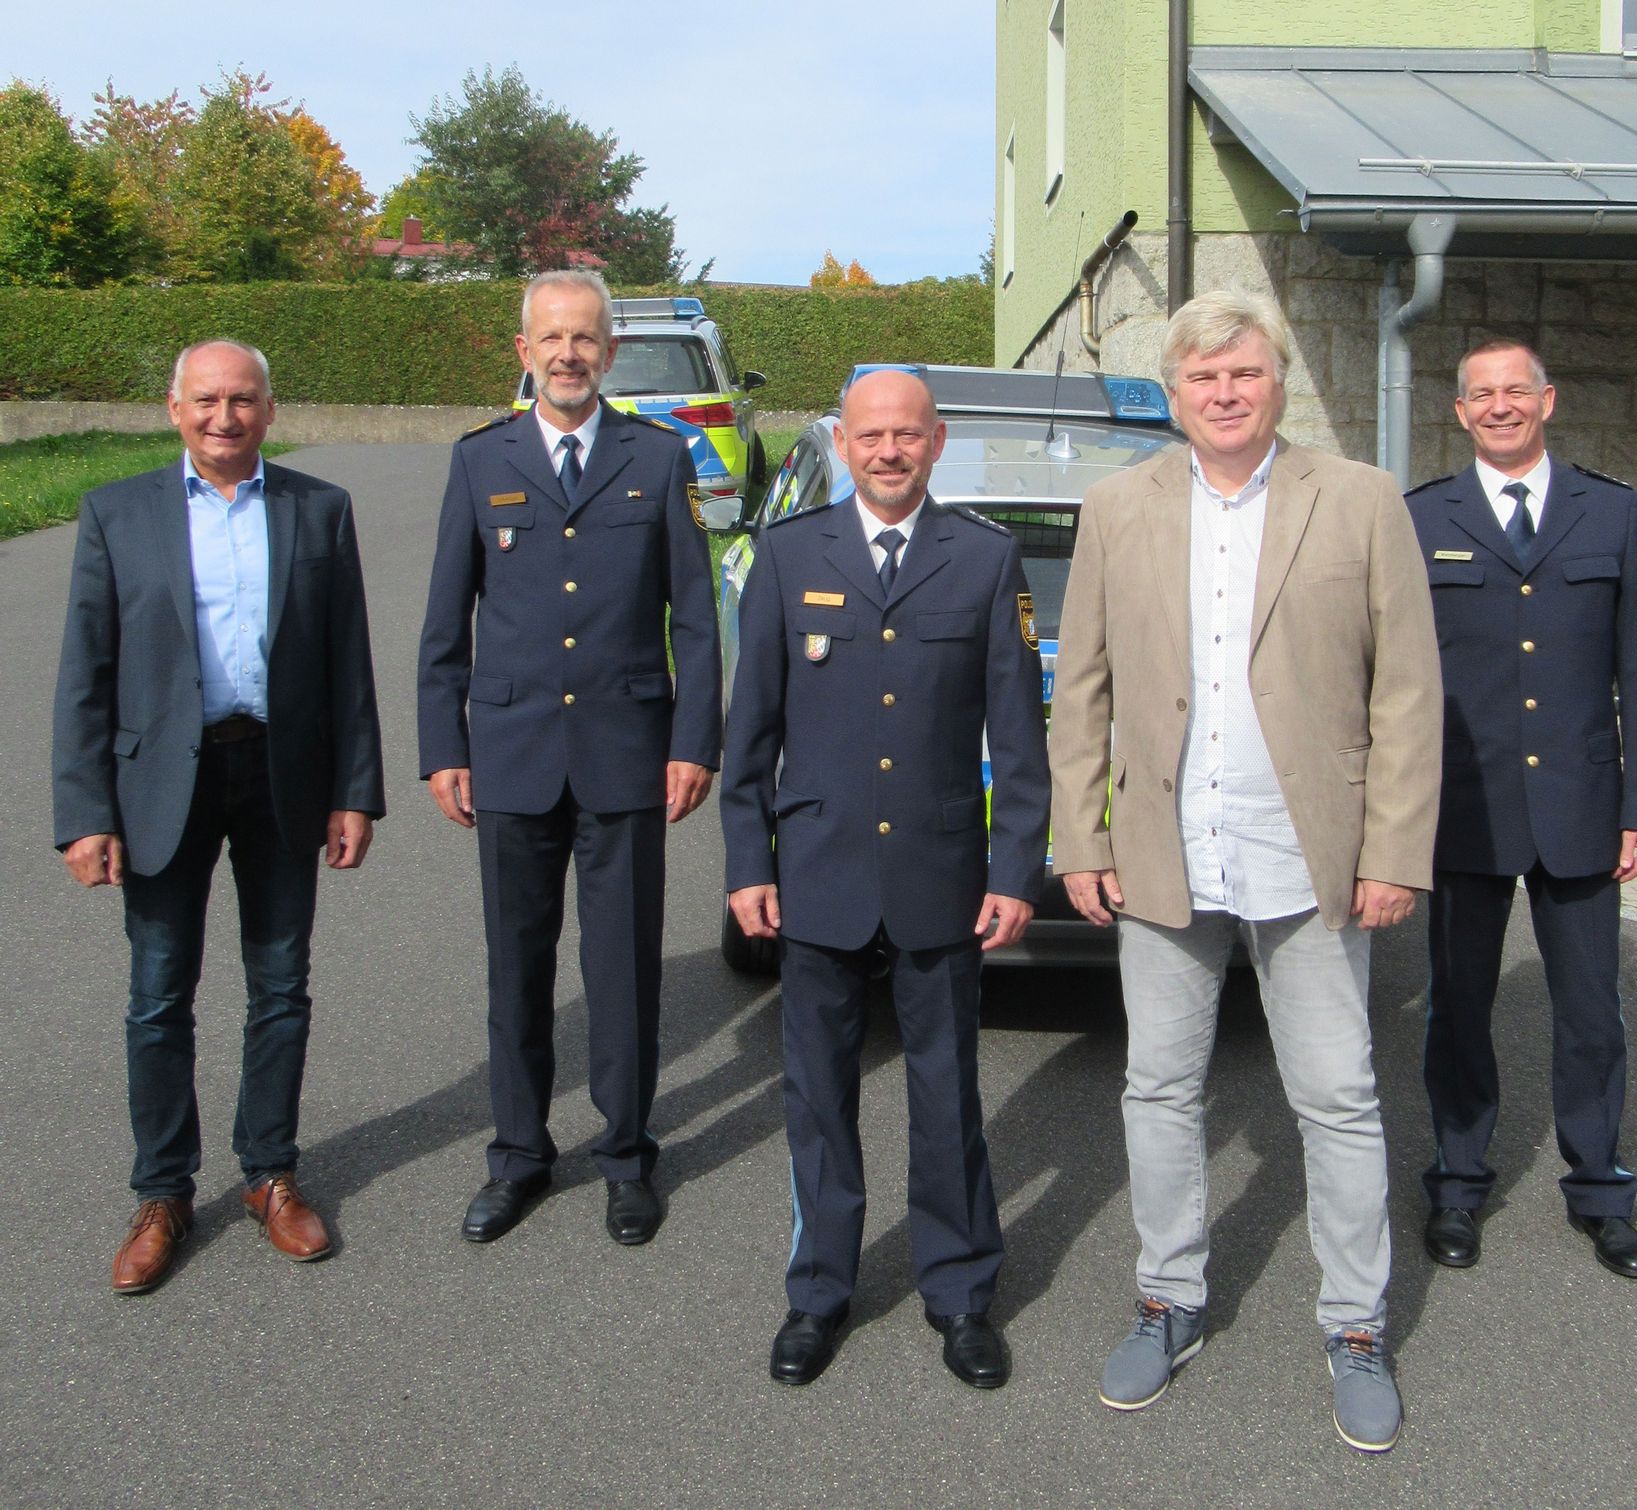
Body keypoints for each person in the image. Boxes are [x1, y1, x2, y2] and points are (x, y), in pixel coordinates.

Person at [1048, 290, 1442, 1452]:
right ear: (1175, 395)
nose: (1225, 394)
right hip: (1168, 851)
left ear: (1277, 383)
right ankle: (1168, 1299)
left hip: (1314, 857)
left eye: (1245, 374)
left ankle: (1356, 1325)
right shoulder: (1120, 507)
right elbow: (1084, 690)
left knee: (1339, 1095)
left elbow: (1409, 695)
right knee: (1161, 1088)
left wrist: (1392, 852)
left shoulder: (1361, 500)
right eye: (1202, 379)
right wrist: (1086, 835)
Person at [719, 368, 1050, 1390]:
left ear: (937, 441)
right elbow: (751, 738)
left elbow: (1018, 739)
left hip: (939, 874)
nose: (891, 450)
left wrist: (1015, 869)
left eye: (909, 434)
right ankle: (818, 1290)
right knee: (817, 1095)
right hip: (815, 872)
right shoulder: (787, 556)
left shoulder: (988, 560)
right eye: (872, 435)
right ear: (845, 442)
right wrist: (746, 864)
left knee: (946, 1092)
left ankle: (959, 1291)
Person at [53, 339, 385, 1294]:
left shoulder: (319, 510)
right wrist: (84, 813)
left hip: (279, 773)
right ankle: (163, 1193)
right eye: (206, 401)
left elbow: (346, 663)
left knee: (280, 987)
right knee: (159, 997)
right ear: (173, 408)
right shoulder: (117, 514)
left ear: (269, 411)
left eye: (242, 401)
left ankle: (270, 1175)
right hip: (163, 785)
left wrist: (354, 790)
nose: (224, 417)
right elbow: (86, 674)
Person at [418, 270, 721, 1248]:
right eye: (551, 337)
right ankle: (518, 1155)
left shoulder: (657, 457)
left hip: (628, 752)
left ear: (608, 353)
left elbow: (698, 620)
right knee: (517, 967)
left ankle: (626, 1157)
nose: (568, 354)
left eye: (585, 338)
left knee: (623, 968)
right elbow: (443, 624)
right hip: (507, 753)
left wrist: (693, 742)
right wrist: (440, 746)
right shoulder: (480, 462)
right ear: (523, 351)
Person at [1405, 339, 1637, 1281]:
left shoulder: (1612, 509)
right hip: (1463, 809)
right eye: (1481, 394)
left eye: (1516, 390)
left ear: (1548, 401)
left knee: (1592, 1012)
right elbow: (1396, 679)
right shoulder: (1419, 517)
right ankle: (1457, 1181)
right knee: (1457, 1009)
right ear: (1460, 412)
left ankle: (1601, 1189)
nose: (1500, 406)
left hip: (1582, 805)